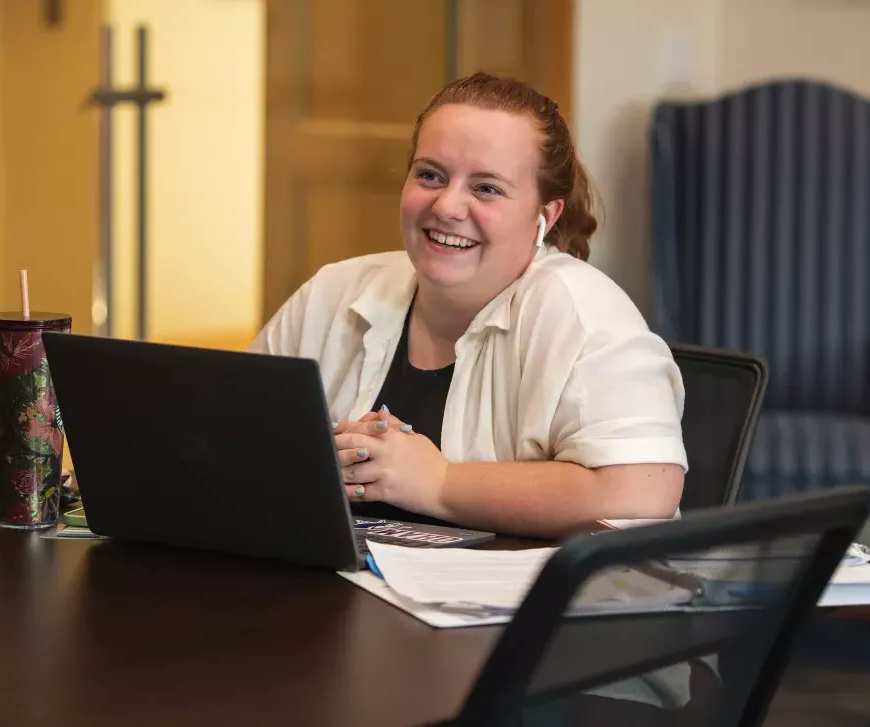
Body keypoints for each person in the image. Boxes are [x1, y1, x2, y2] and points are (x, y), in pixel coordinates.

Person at [249, 71, 687, 538]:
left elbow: (643, 494)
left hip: (526, 605)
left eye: (487, 188)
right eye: (430, 175)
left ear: (546, 215)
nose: (447, 207)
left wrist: (437, 482)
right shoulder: (335, 292)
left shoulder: (583, 312)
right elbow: (230, 433)